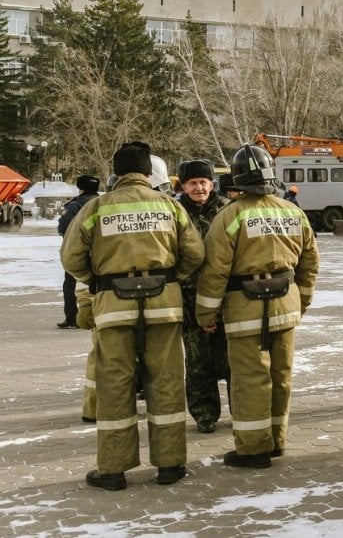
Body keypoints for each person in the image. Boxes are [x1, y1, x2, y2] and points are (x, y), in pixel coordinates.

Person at [60, 141, 205, 491]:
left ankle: (112, 470)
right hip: (163, 307)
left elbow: (71, 257)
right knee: (166, 383)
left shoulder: (97, 207)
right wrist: (171, 279)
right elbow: (194, 253)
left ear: (117, 172)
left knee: (115, 385)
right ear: (146, 173)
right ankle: (170, 465)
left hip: (114, 309)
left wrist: (100, 280)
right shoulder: (170, 206)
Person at [196, 145, 319, 469]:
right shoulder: (292, 211)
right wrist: (302, 300)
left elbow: (215, 271)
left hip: (244, 309)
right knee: (281, 375)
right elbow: (310, 262)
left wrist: (206, 314)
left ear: (237, 178)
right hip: (285, 306)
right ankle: (276, 440)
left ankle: (253, 448)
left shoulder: (230, 216)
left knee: (250, 379)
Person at [176, 159, 230, 434]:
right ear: (183, 186)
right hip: (190, 299)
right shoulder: (176, 213)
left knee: (233, 360)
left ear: (212, 184)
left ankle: (243, 409)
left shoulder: (227, 210)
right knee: (198, 363)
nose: (199, 188)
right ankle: (204, 414)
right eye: (193, 183)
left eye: (203, 182)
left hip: (226, 298)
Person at [57, 175, 100, 329]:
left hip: (79, 251)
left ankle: (72, 318)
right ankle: (96, 314)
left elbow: (63, 227)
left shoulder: (74, 205)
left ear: (80, 188)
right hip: (100, 252)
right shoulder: (103, 202)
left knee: (70, 283)